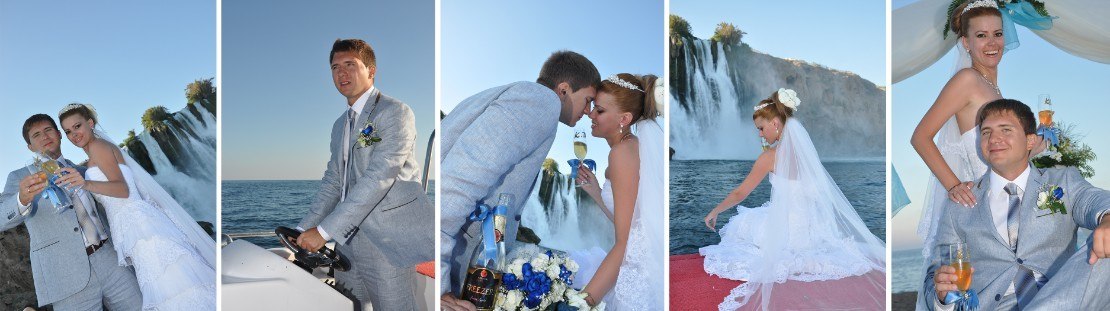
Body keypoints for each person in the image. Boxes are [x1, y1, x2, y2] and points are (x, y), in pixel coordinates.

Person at [439, 50, 599, 311]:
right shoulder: (541, 102)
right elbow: (456, 182)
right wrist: (441, 290)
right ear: (563, 89)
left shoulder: (510, 94)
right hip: (461, 263)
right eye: (588, 100)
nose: (588, 111)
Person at [701, 89, 886, 310]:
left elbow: (741, 193)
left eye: (761, 128)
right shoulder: (806, 156)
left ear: (776, 123)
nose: (760, 135)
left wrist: (715, 211)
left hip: (785, 233)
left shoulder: (769, 158)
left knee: (742, 224)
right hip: (812, 232)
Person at [924, 99, 1110, 310]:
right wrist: (942, 296)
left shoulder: (1062, 181)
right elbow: (935, 275)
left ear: (1030, 141)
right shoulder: (960, 204)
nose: (994, 138)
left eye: (1005, 130)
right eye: (986, 132)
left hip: (1063, 298)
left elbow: (1093, 199)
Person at [294, 38, 434, 310]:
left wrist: (323, 231)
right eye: (335, 67)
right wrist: (302, 228)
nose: (341, 73)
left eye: (350, 64)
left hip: (386, 243)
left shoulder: (395, 112)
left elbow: (378, 178)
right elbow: (334, 182)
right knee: (348, 306)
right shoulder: (339, 126)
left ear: (371, 71)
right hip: (346, 241)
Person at [1, 113, 144, 310]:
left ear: (60, 135)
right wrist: (21, 199)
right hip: (65, 275)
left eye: (48, 130)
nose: (44, 137)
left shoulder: (85, 171)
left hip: (111, 260)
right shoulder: (19, 177)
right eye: (36, 135)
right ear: (30, 147)